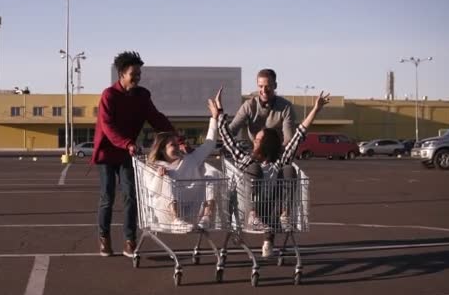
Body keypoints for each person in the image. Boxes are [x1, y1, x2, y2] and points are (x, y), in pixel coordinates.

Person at [215, 88, 330, 257]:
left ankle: (284, 216)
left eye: (259, 139)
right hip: (250, 209)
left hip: (272, 209)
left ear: (267, 144)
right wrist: (219, 111)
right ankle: (254, 216)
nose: (254, 140)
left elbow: (299, 135)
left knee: (289, 170)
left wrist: (315, 110)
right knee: (253, 169)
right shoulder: (247, 160)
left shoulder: (279, 163)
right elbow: (227, 139)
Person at [92, 51, 175, 258]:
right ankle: (104, 238)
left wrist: (178, 139)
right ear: (122, 74)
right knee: (107, 197)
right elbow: (108, 127)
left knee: (131, 195)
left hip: (127, 153)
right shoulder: (109, 95)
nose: (137, 78)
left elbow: (157, 119)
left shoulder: (142, 96)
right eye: (133, 74)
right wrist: (127, 142)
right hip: (107, 153)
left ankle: (130, 240)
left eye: (139, 73)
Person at [146, 87, 223, 232]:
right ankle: (176, 219)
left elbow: (209, 143)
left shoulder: (190, 159)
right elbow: (151, 192)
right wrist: (159, 176)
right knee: (168, 178)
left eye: (178, 144)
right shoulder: (155, 165)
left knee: (211, 175)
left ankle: (207, 216)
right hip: (165, 213)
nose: (178, 147)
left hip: (191, 209)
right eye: (172, 145)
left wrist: (214, 117)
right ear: (162, 149)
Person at [228, 69, 296, 145]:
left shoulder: (286, 107)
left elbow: (289, 139)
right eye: (261, 86)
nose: (264, 90)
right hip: (255, 152)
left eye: (268, 86)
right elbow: (231, 131)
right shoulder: (249, 106)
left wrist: (280, 154)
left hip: (277, 152)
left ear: (275, 85)